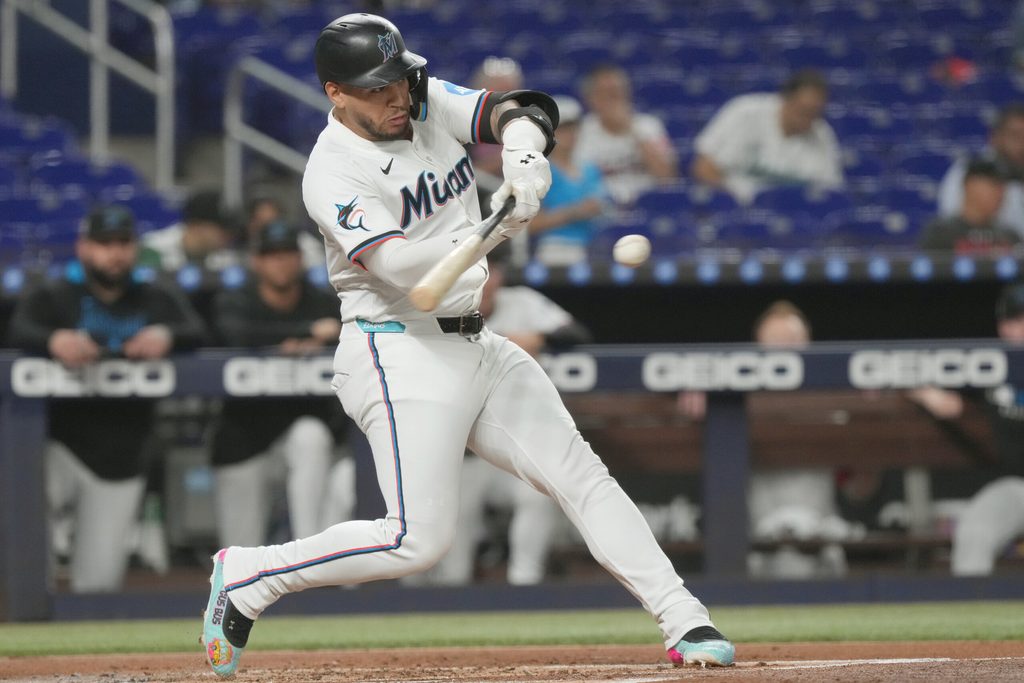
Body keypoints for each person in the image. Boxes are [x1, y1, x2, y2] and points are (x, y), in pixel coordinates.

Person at [200, 14, 734, 677]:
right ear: (336, 92)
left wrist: (522, 151)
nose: (398, 98)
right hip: (398, 350)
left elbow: (520, 107)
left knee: (578, 472)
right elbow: (415, 278)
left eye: (399, 80)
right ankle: (251, 574)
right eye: (377, 89)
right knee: (415, 540)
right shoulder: (332, 174)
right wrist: (498, 222)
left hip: (478, 342)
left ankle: (684, 616)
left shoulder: (416, 97)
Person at [7, 205, 207, 592]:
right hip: (59, 448)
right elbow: (17, 328)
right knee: (26, 543)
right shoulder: (55, 294)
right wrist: (53, 340)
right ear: (84, 248)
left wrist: (167, 335)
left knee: (97, 586)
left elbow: (198, 330)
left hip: (122, 458)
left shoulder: (154, 295)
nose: (114, 253)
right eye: (104, 244)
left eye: (122, 243)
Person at [412, 247, 591, 586]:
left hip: (516, 451)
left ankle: (525, 587)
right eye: (476, 268)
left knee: (539, 492)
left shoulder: (522, 303)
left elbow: (578, 333)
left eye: (491, 269)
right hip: (463, 457)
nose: (485, 278)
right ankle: (454, 594)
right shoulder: (439, 310)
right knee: (455, 515)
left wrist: (539, 337)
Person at [209, 221, 351, 548]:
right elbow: (231, 332)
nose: (281, 262)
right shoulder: (237, 299)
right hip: (243, 439)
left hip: (301, 429)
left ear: (300, 259)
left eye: (288, 254)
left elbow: (357, 332)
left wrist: (319, 337)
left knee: (311, 436)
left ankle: (308, 552)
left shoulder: (322, 302)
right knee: (240, 558)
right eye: (272, 255)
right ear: (256, 261)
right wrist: (303, 335)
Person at [911, 283, 1024, 575]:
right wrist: (937, 396)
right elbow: (936, 385)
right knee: (974, 533)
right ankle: (974, 614)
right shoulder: (989, 365)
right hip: (1014, 488)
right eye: (1012, 320)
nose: (1018, 329)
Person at [691, 69, 844, 206]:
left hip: (797, 219)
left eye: (815, 113)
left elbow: (831, 190)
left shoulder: (822, 133)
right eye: (803, 110)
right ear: (786, 99)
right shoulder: (745, 112)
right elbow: (704, 168)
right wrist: (734, 203)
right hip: (739, 213)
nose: (808, 119)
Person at [574, 63, 677, 205]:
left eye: (618, 92)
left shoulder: (649, 126)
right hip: (602, 210)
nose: (615, 99)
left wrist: (633, 130)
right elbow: (577, 184)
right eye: (607, 94)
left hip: (649, 206)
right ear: (591, 98)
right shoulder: (580, 132)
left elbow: (667, 177)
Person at [529, 95, 610, 265]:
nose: (570, 135)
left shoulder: (590, 169)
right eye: (563, 129)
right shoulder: (538, 169)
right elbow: (529, 224)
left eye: (573, 128)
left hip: (593, 247)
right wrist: (575, 212)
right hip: (555, 248)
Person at [938, 104, 1024, 238]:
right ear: (995, 137)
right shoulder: (969, 169)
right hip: (974, 248)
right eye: (1015, 135)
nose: (1021, 144)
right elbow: (952, 220)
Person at [919, 158, 1021, 254]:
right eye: (994, 185)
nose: (1001, 193)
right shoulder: (940, 234)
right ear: (970, 185)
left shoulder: (1010, 236)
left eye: (1003, 186)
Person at [140, 189, 238, 272]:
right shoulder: (154, 248)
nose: (228, 236)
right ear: (197, 226)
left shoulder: (226, 258)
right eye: (221, 229)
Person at [242, 195, 326, 270]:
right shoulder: (245, 245)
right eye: (263, 223)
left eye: (273, 221)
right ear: (252, 224)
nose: (270, 228)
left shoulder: (303, 242)